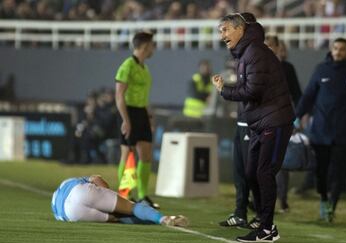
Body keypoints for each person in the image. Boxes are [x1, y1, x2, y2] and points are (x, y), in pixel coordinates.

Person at [212, 12, 295, 243]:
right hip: (262, 122)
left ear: (240, 29)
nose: (222, 36)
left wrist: (224, 91)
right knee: (251, 172)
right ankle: (262, 220)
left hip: (275, 121)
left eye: (225, 30)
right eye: (220, 31)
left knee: (264, 172)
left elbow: (253, 91)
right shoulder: (248, 52)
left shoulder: (255, 52)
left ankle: (267, 228)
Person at [295, 37, 346, 222]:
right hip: (321, 130)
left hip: (344, 131)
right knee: (321, 171)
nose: (338, 52)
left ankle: (332, 205)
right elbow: (308, 95)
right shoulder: (320, 69)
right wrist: (297, 116)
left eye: (342, 49)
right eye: (335, 48)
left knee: (337, 171)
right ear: (331, 50)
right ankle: (323, 199)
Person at [114, 31, 159, 209]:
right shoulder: (127, 66)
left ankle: (142, 195)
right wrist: (125, 120)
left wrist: (148, 117)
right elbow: (119, 96)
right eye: (152, 45)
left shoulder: (144, 68)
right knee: (128, 153)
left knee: (146, 155)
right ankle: (125, 194)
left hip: (141, 113)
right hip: (128, 112)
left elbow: (144, 96)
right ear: (145, 46)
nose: (153, 48)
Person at [51, 175, 188, 226]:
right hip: (81, 192)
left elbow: (62, 218)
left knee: (116, 218)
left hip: (71, 213)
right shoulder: (68, 181)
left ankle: (159, 221)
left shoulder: (55, 207)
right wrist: (109, 193)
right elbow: (96, 179)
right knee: (131, 208)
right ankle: (162, 219)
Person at [218, 58, 259, 229]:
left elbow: (248, 93)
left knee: (254, 173)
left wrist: (224, 89)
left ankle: (261, 216)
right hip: (241, 124)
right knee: (239, 172)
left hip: (253, 125)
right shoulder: (245, 67)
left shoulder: (259, 68)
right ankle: (240, 213)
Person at [265, 35, 303, 213]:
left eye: (272, 45)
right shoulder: (256, 65)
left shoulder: (287, 68)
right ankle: (261, 200)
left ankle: (282, 199)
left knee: (279, 162)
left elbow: (297, 94)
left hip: (281, 118)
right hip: (261, 120)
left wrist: (297, 118)